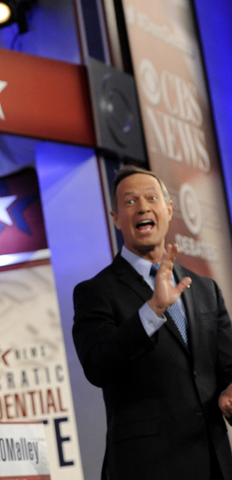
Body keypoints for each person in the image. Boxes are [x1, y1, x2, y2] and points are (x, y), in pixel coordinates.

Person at [72, 165, 232, 480]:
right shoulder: (96, 291)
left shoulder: (204, 288)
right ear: (116, 218)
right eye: (130, 202)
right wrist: (153, 310)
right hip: (146, 466)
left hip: (214, 461)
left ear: (168, 209)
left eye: (151, 198)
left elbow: (227, 365)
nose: (142, 207)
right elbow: (97, 365)